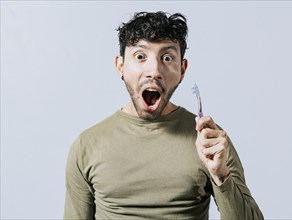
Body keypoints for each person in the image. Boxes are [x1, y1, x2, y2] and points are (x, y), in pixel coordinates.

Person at [64, 11, 264, 220]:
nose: (154, 70)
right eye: (140, 56)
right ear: (120, 65)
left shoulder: (211, 142)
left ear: (182, 69)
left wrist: (221, 175)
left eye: (167, 58)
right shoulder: (86, 146)